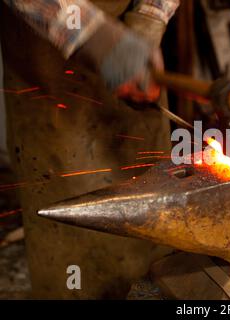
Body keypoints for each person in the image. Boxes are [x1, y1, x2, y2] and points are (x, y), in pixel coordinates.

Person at [0, 0, 179, 298]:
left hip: (134, 52)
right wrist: (97, 37)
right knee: (76, 266)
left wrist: (150, 16)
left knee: (155, 243)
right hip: (49, 77)